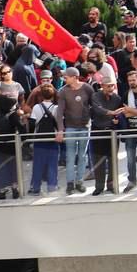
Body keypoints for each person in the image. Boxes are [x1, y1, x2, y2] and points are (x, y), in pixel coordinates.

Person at [58, 66, 95, 194]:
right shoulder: (63, 91)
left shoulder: (87, 88)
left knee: (82, 156)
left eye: (66, 77)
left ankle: (79, 181)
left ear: (74, 77)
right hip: (70, 127)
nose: (64, 79)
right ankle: (70, 183)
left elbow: (94, 105)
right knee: (70, 156)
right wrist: (60, 129)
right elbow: (59, 112)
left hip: (85, 126)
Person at [91, 73, 127, 195]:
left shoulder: (117, 98)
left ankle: (111, 185)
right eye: (108, 86)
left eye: (112, 86)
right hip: (98, 132)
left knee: (112, 161)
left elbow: (121, 112)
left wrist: (118, 119)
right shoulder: (96, 96)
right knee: (98, 160)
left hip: (112, 132)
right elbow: (97, 110)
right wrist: (112, 113)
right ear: (102, 86)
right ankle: (99, 186)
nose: (111, 88)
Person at [27, 84, 63, 195]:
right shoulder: (56, 108)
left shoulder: (36, 107)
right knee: (52, 164)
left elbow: (32, 123)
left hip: (39, 139)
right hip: (52, 139)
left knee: (38, 164)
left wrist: (31, 135)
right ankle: (52, 185)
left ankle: (35, 187)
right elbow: (59, 124)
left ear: (41, 95)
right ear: (53, 96)